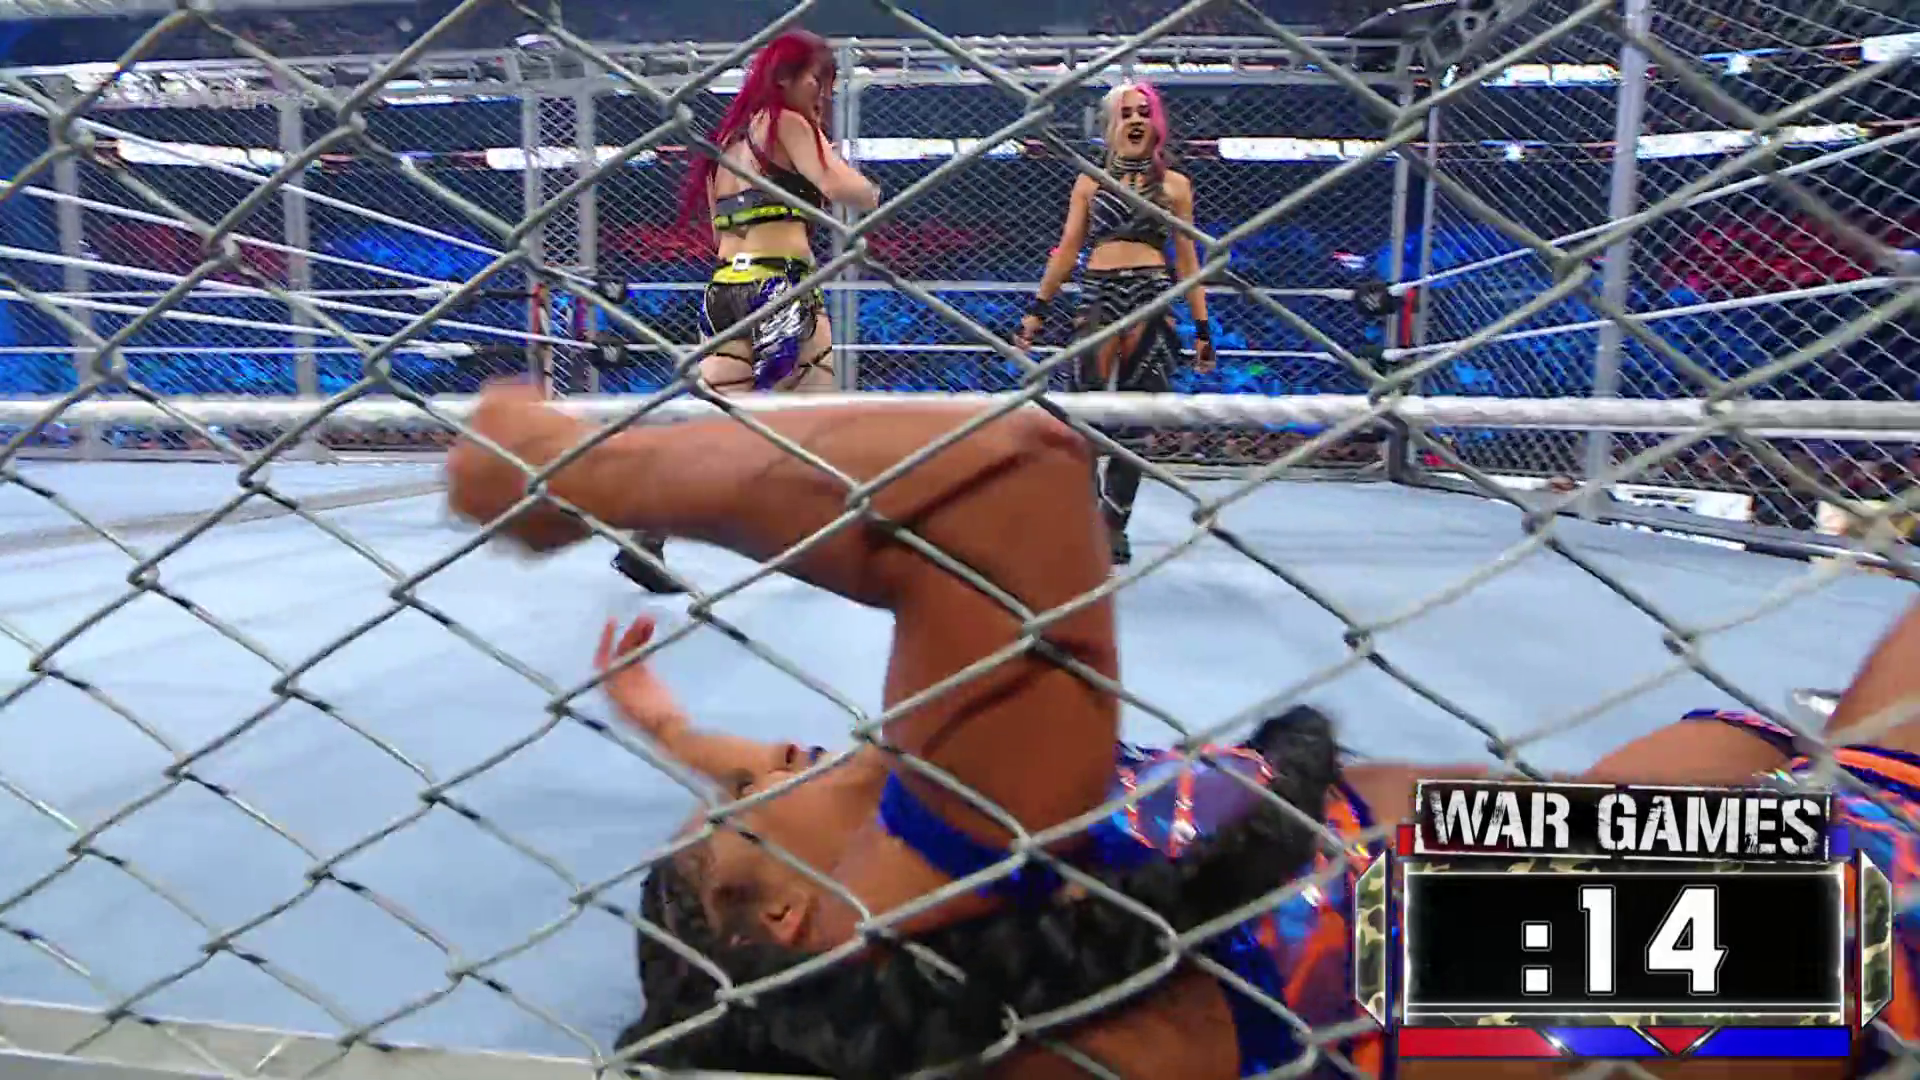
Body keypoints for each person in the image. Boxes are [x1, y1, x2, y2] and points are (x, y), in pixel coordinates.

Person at [445, 380, 1920, 1079]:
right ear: (792, 919)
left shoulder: (959, 928)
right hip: (1647, 933)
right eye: (750, 801)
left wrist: (678, 736)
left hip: (1543, 888)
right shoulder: (957, 880)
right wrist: (585, 469)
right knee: (1861, 798)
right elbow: (1002, 479)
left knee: (1770, 768)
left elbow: (773, 789)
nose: (783, 753)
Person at [612, 27, 881, 595]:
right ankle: (817, 539)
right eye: (817, 80)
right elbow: (837, 184)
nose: (824, 93)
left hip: (727, 289)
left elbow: (717, 235)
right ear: (784, 78)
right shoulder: (787, 123)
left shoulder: (729, 143)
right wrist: (872, 191)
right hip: (781, 289)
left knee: (723, 424)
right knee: (814, 419)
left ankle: (649, 532)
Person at [1015, 79, 1217, 566]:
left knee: (1137, 415)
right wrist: (1037, 309)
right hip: (1098, 293)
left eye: (1144, 112)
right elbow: (1067, 249)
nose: (1136, 120)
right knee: (1083, 412)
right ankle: (1085, 517)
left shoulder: (1175, 186)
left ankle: (1114, 523)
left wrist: (1202, 327)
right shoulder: (1089, 181)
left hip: (1151, 294)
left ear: (1157, 123)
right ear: (1111, 125)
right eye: (1126, 113)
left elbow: (1188, 259)